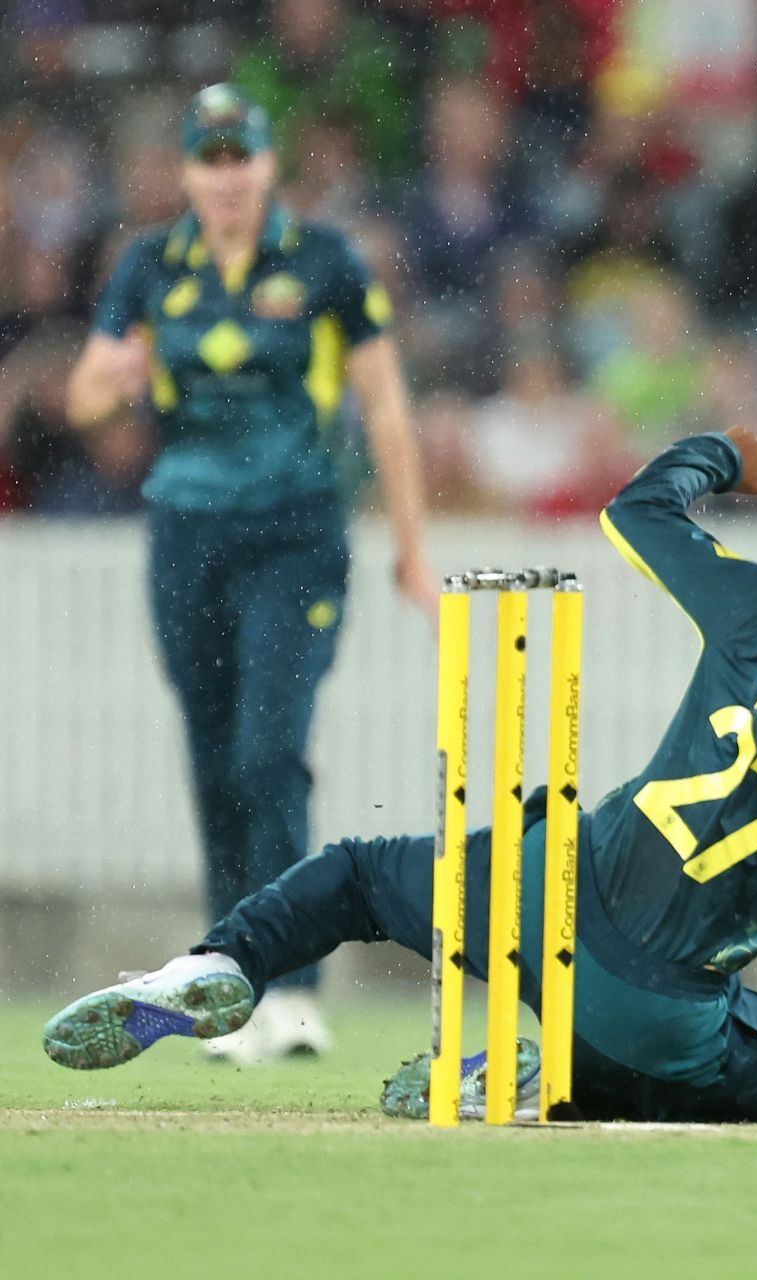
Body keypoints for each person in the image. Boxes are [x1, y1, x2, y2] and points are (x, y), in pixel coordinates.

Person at [41, 428, 757, 1123]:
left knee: (349, 873)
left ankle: (218, 964)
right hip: (649, 1004)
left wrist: (722, 458)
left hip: (535, 882)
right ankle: (563, 1083)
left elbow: (636, 507)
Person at [64, 84, 437, 1063]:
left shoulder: (323, 260)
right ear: (188, 170)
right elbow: (84, 402)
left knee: (272, 750)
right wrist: (111, 387)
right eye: (209, 158)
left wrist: (411, 545)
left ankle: (295, 985)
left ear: (268, 164)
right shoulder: (150, 265)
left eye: (242, 157)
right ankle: (226, 985)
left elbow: (387, 407)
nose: (226, 176)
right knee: (216, 762)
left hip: (295, 530)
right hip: (186, 532)